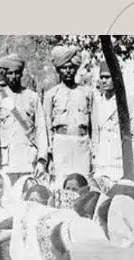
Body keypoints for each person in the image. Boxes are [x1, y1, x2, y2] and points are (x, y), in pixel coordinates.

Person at [0, 54, 48, 184]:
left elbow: (41, 130)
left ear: (21, 74)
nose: (13, 77)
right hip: (6, 162)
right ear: (4, 74)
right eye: (10, 73)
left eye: (17, 73)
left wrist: (42, 160)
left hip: (29, 160)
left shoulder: (32, 97)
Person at [44, 46, 94, 183]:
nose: (67, 71)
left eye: (71, 67)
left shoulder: (87, 92)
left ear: (76, 68)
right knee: (61, 183)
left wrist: (93, 150)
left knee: (83, 182)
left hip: (82, 142)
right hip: (61, 142)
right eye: (64, 68)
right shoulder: (51, 94)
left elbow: (93, 124)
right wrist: (50, 154)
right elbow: (48, 126)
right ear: (58, 69)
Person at [92, 61, 134, 180]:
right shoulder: (98, 102)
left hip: (121, 162)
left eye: (107, 77)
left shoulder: (129, 101)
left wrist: (127, 155)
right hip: (102, 160)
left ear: (116, 77)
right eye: (101, 77)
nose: (104, 81)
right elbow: (95, 133)